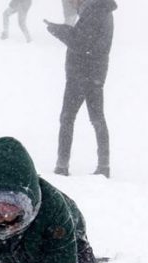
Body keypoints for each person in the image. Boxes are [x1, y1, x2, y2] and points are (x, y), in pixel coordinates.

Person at [45, 0, 117, 178]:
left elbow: (80, 42)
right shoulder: (102, 9)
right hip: (95, 73)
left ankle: (62, 165)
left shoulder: (94, 10)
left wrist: (58, 30)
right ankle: (104, 165)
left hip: (81, 73)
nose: (71, 4)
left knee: (68, 118)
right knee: (97, 118)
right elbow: (86, 40)